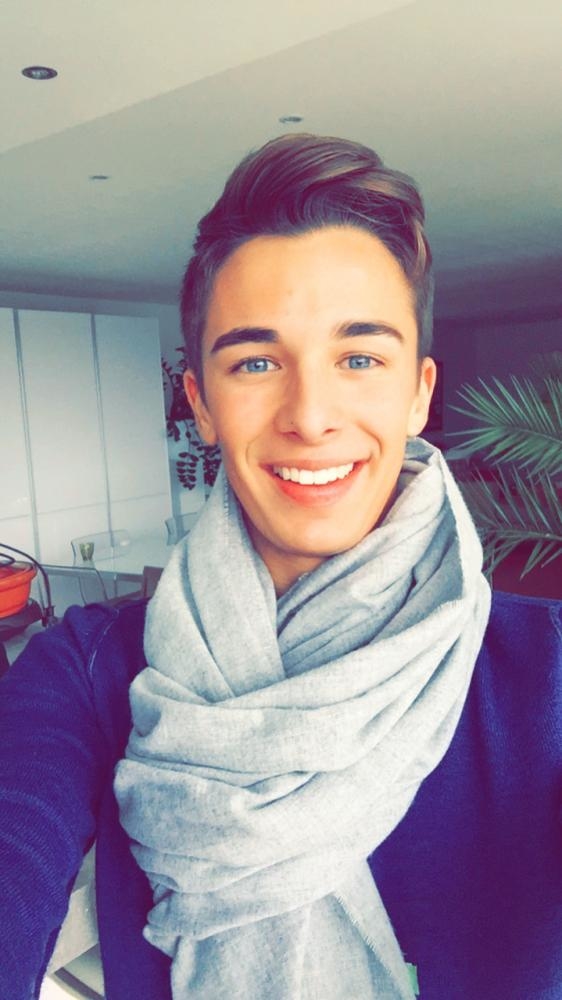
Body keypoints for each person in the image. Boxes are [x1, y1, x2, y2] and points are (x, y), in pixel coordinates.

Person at [0, 134, 560, 1000]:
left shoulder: (546, 674)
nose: (310, 415)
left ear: (418, 392)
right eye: (256, 362)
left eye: (360, 358)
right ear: (201, 403)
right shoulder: (87, 669)